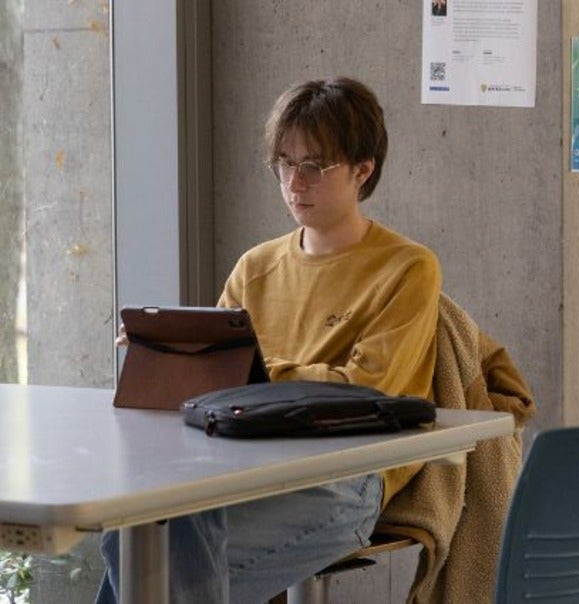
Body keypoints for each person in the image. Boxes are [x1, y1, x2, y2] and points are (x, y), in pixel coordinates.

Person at [95, 76, 442, 603]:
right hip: (242, 471)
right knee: (137, 530)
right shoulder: (255, 267)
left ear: (362, 169)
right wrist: (168, 350)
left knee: (157, 555)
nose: (294, 183)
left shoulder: (407, 268)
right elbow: (217, 386)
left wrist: (256, 371)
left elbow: (368, 391)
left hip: (347, 479)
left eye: (313, 166)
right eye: (284, 163)